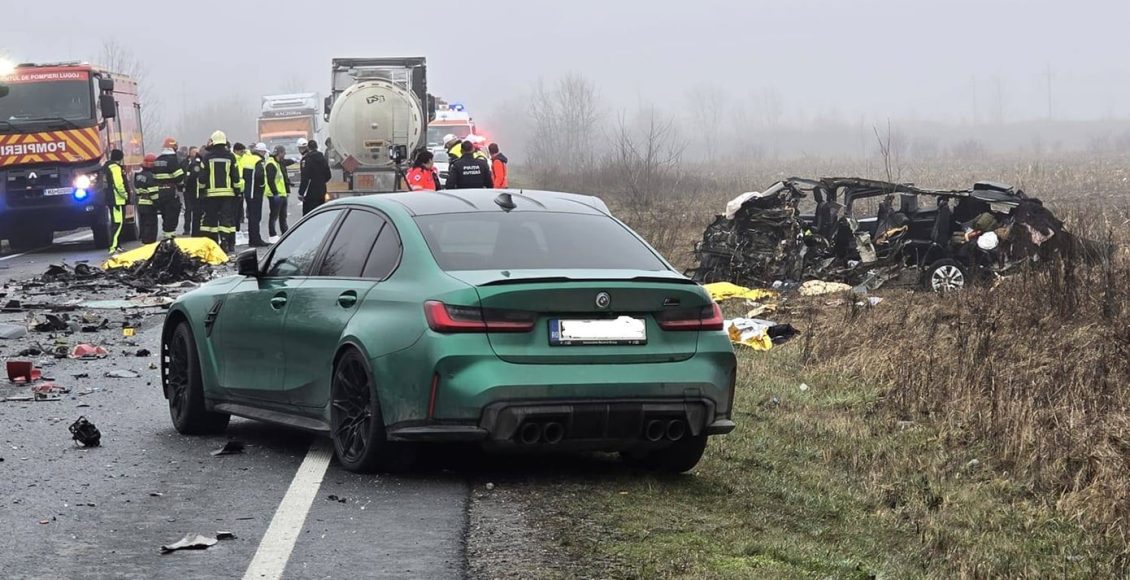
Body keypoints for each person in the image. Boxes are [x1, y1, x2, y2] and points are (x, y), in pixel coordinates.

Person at [198, 130, 242, 252]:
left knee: (211, 220)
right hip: (228, 194)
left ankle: (211, 244)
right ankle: (226, 242)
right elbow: (235, 176)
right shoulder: (231, 156)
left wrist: (201, 191)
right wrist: (237, 191)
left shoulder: (207, 157)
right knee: (226, 219)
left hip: (211, 195)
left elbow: (202, 177)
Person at [152, 137, 184, 239]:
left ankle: (166, 233)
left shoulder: (157, 160)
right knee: (173, 212)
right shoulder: (172, 160)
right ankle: (170, 236)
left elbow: (153, 176)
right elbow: (179, 176)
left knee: (165, 214)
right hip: (170, 191)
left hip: (159, 192)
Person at [103, 149, 129, 253]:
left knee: (117, 222)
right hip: (116, 200)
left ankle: (117, 245)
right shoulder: (115, 168)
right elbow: (118, 184)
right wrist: (125, 195)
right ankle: (113, 247)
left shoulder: (107, 166)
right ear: (120, 157)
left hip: (111, 198)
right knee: (118, 223)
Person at [243, 143, 269, 247]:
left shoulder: (248, 159)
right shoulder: (259, 161)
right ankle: (256, 240)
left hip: (248, 191)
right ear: (261, 151)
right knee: (256, 217)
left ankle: (252, 239)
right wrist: (262, 186)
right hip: (256, 192)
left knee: (251, 217)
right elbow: (260, 175)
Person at [299, 138, 331, 215]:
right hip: (322, 191)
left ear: (308, 148)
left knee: (309, 215)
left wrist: (301, 193)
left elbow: (305, 178)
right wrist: (321, 182)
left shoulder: (306, 160)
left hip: (310, 193)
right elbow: (328, 175)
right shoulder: (322, 158)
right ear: (316, 147)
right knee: (320, 214)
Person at [134, 154, 160, 243]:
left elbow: (137, 191)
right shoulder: (151, 176)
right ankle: (149, 243)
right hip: (150, 205)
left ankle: (144, 241)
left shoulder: (138, 176)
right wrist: (158, 204)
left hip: (141, 203)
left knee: (144, 224)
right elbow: (153, 193)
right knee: (151, 225)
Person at [265, 145, 291, 238]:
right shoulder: (271, 164)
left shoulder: (277, 162)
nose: (285, 154)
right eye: (284, 153)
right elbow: (270, 180)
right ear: (280, 153)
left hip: (282, 194)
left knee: (283, 216)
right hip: (275, 195)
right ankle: (272, 235)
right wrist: (275, 193)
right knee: (274, 216)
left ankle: (285, 233)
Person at [181, 146, 203, 236]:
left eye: (197, 152)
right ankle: (187, 228)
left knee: (197, 210)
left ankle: (197, 229)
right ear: (189, 153)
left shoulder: (198, 163)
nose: (196, 154)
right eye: (194, 152)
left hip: (196, 189)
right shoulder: (184, 163)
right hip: (188, 189)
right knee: (188, 209)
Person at [232, 143, 249, 232]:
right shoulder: (233, 159)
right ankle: (235, 231)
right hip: (236, 188)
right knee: (235, 213)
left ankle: (237, 231)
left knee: (239, 212)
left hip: (241, 188)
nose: (243, 153)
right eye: (241, 151)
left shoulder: (242, 158)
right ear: (236, 151)